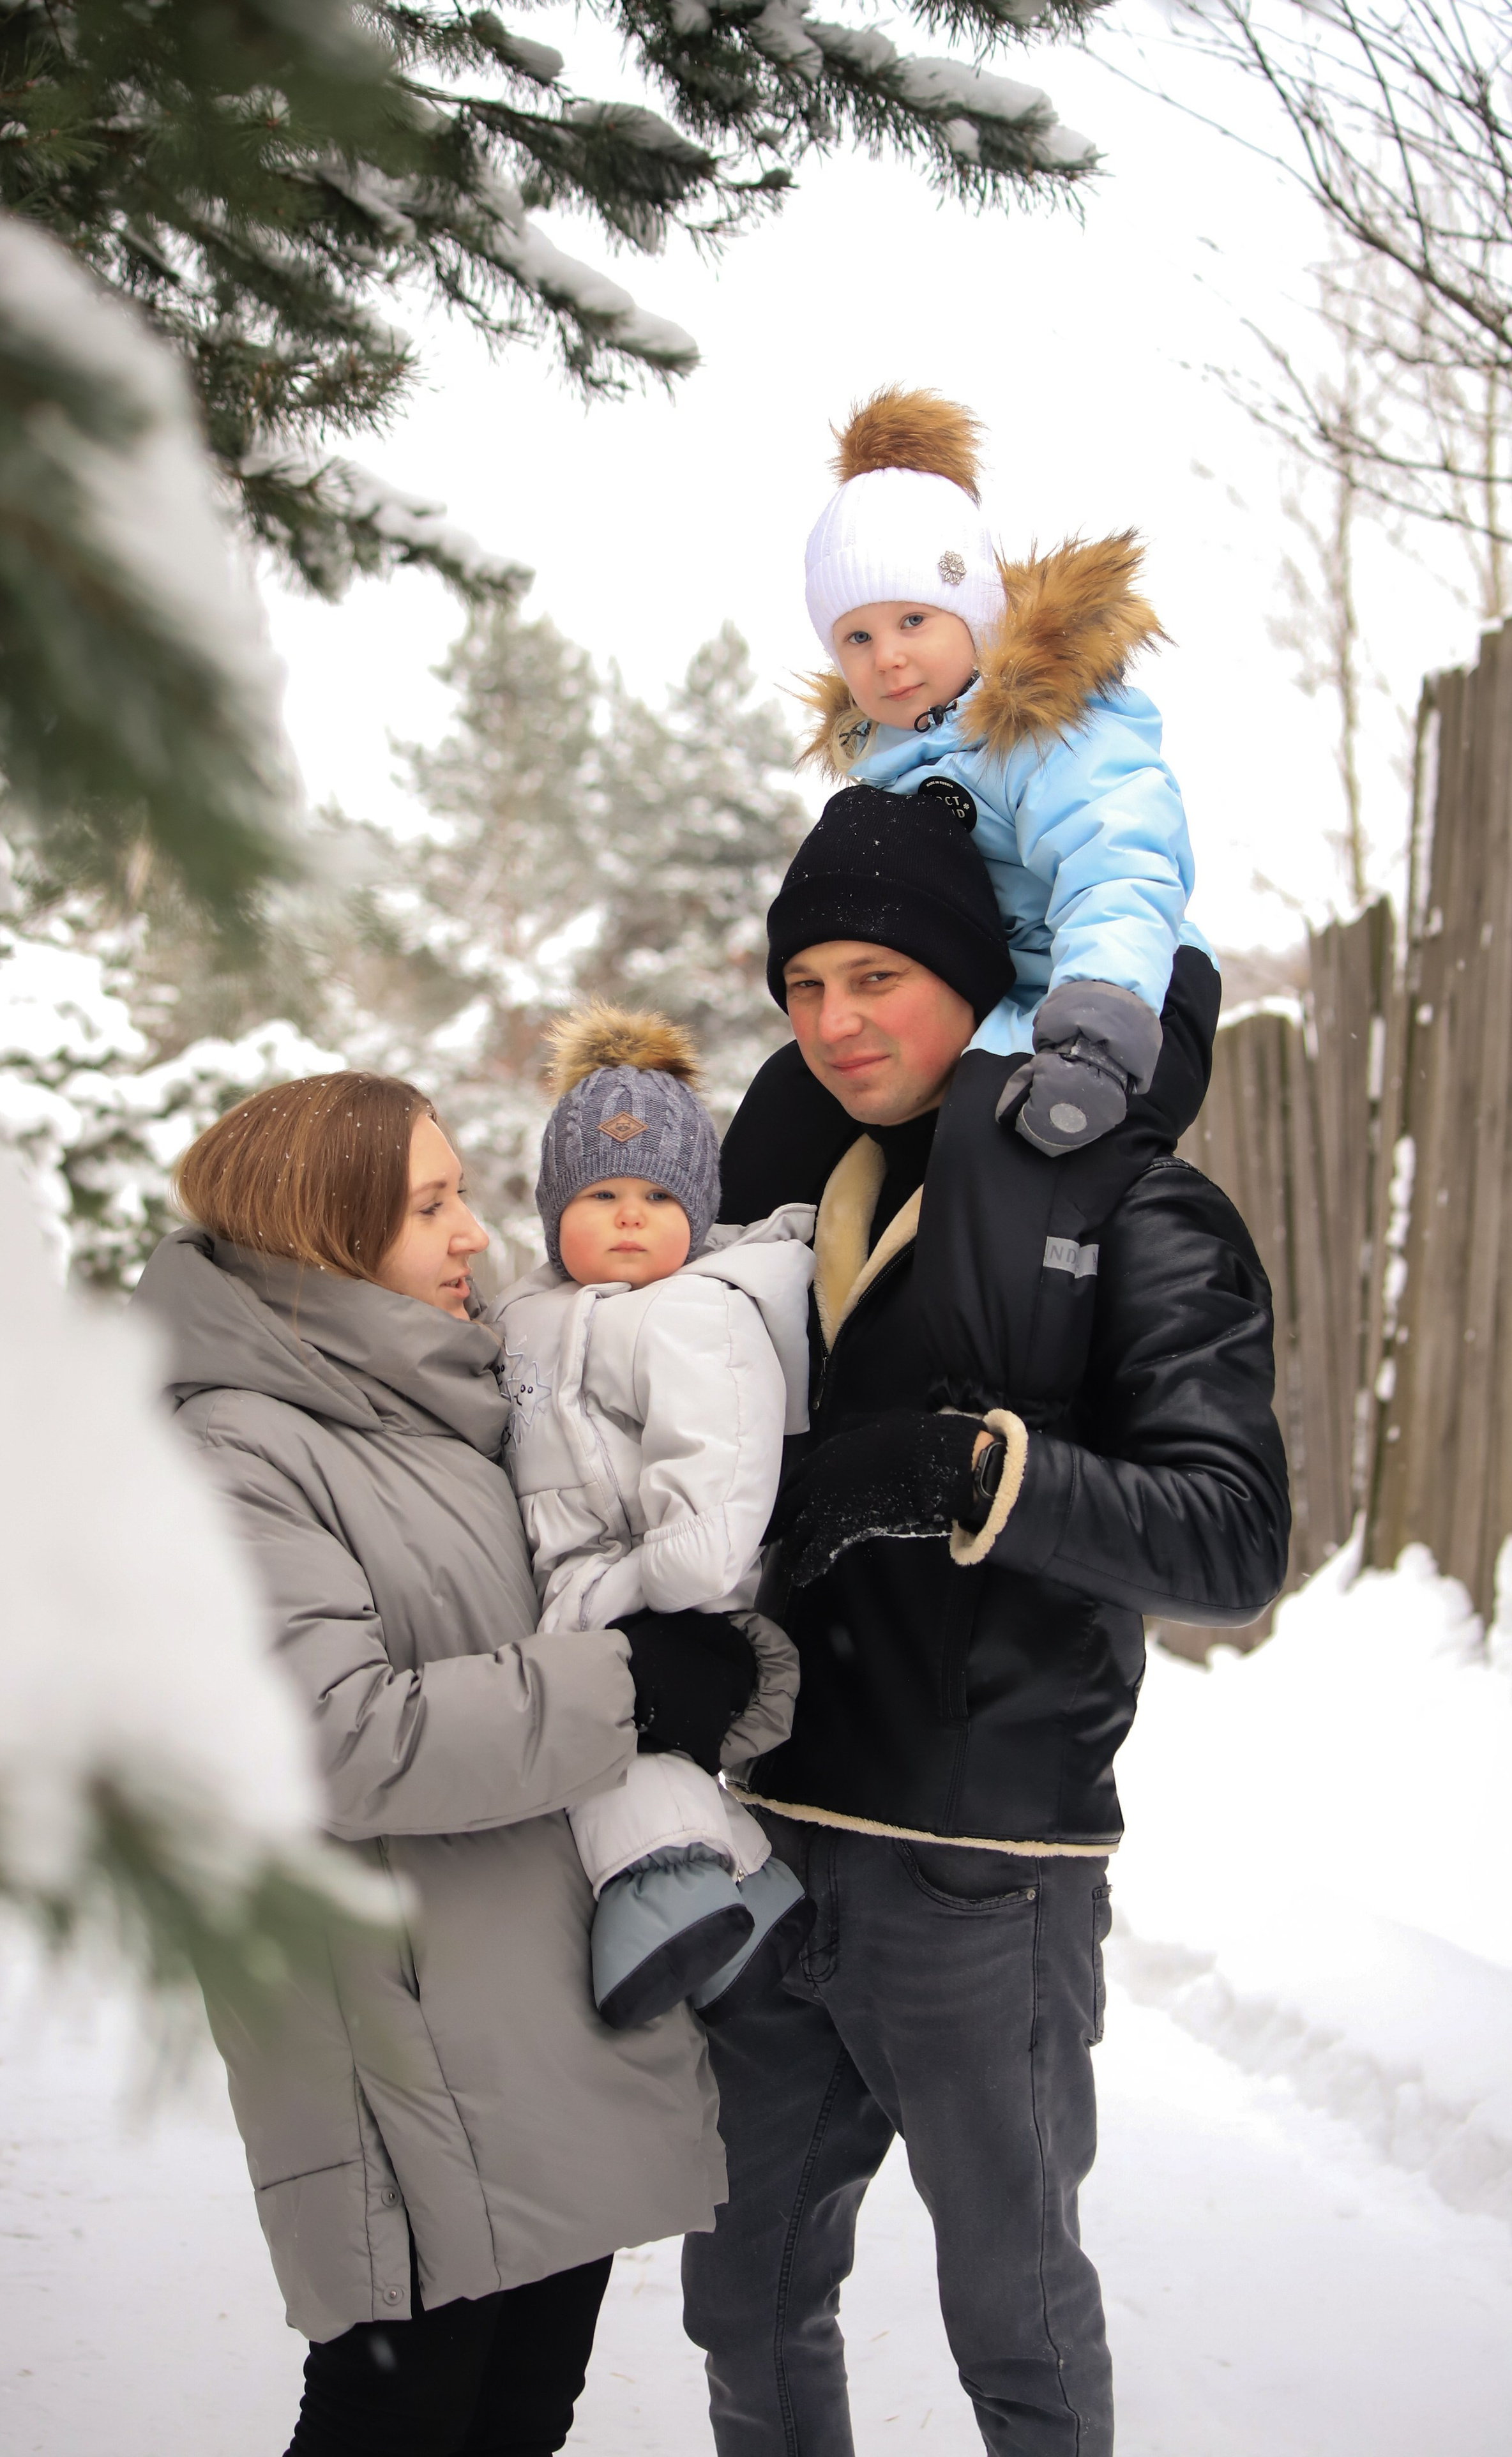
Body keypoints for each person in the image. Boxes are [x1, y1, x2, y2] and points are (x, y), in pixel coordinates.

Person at [680, 795, 1292, 2456]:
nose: (834, 1022)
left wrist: (971, 1471)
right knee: (742, 2295)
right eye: (802, 985)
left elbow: (1236, 1540)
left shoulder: (1142, 1214)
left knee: (1010, 2325)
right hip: (773, 1841)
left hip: (980, 1872)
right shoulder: (795, 1208)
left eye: (877, 975)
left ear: (977, 981)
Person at [132, 1071, 758, 2457]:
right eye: (428, 1205)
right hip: (406, 2057)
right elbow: (335, 1740)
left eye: (461, 1191)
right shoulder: (240, 1445)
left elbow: (568, 1614)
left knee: (519, 2420)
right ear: (325, 1234)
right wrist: (629, 1686)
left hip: (537, 2024)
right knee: (399, 2422)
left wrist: (724, 1662)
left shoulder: (457, 1407)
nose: (475, 1231)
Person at [492, 1004, 816, 2030]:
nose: (629, 1217)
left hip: (665, 1591)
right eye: (599, 1194)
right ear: (553, 1215)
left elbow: (718, 1477)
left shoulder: (698, 1311)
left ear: (699, 1206)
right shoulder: (527, 1312)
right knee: (599, 1742)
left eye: (655, 1196)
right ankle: (749, 1886)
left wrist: (640, 1590)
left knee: (610, 1748)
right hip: (581, 1576)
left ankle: (664, 1898)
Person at [798, 382, 1216, 1159]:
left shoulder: (1048, 730)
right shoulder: (889, 762)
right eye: (855, 637)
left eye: (912, 620)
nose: (886, 656)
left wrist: (1096, 1026)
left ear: (976, 612)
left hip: (1130, 992)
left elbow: (1118, 867)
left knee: (996, 1163)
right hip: (1010, 1003)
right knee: (808, 1127)